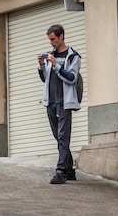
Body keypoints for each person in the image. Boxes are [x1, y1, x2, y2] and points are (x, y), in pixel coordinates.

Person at [37, 23, 82, 184]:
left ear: (62, 36)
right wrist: (42, 66)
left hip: (65, 102)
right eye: (49, 40)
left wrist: (56, 65)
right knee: (58, 137)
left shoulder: (73, 56)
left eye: (53, 39)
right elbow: (45, 79)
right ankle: (69, 169)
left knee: (63, 136)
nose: (51, 42)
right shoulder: (50, 55)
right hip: (51, 101)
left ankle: (61, 171)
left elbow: (71, 78)